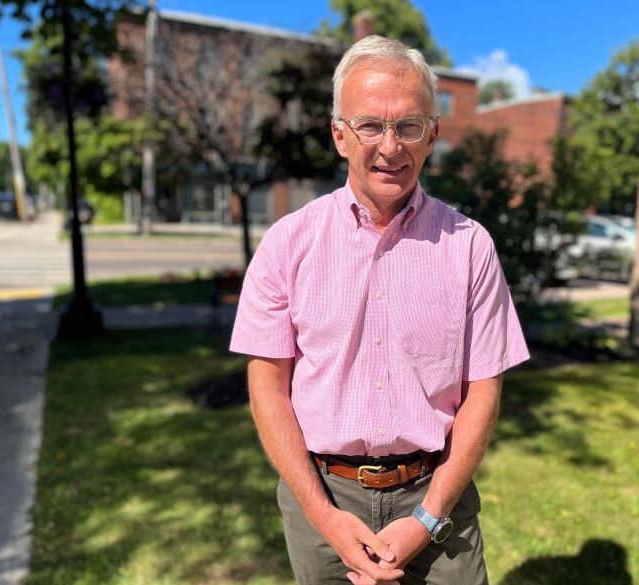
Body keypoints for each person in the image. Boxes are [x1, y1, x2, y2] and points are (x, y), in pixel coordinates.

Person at [230, 34, 529, 585]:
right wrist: (325, 518)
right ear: (339, 135)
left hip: (438, 495)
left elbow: (483, 390)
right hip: (322, 494)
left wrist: (426, 518)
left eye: (408, 125)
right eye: (370, 125)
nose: (391, 146)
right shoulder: (286, 244)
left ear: (432, 136)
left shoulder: (469, 245)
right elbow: (267, 389)